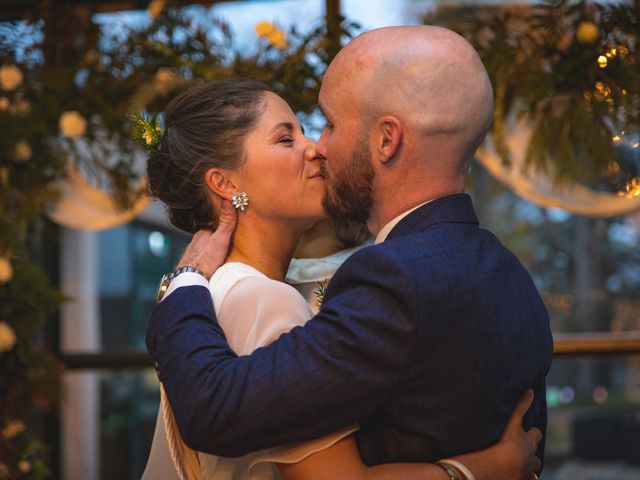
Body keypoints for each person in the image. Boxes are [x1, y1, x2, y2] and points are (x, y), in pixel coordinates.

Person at [146, 25, 553, 478]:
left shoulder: (393, 280)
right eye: (289, 137)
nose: (318, 147)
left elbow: (214, 408)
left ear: (386, 139)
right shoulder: (510, 275)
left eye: (330, 125)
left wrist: (179, 284)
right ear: (223, 182)